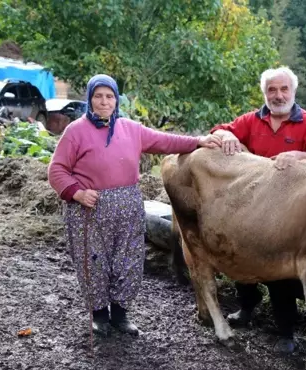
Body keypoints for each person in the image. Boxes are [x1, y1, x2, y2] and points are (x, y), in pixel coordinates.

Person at [48, 74, 221, 337]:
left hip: (128, 205)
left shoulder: (131, 129)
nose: (104, 102)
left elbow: (165, 141)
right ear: (89, 99)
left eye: (109, 96)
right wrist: (77, 193)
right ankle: (99, 316)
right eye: (98, 96)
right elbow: (57, 170)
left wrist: (197, 141)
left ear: (116, 100)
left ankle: (120, 315)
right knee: (94, 262)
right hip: (89, 208)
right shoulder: (76, 131)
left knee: (127, 261)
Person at [210, 66, 306, 353]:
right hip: (252, 207)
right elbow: (218, 129)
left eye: (283, 89)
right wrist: (227, 135)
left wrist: (299, 156)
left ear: (293, 91)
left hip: (291, 212)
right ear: (264, 93)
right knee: (241, 258)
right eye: (271, 90)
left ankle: (286, 331)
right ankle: (247, 308)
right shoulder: (252, 119)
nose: (278, 95)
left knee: (281, 274)